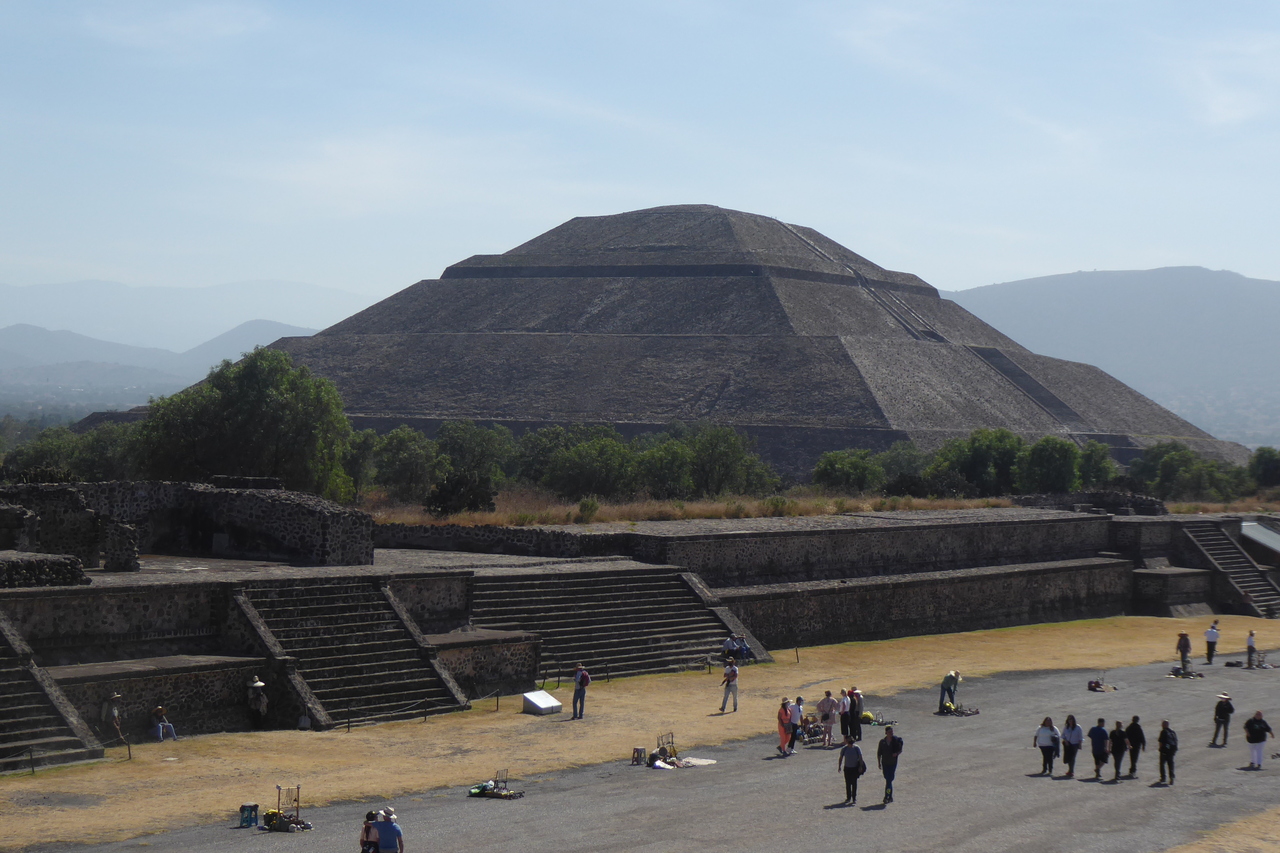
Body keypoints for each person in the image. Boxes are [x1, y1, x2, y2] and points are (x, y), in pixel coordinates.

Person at [876, 725, 903, 804]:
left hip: (892, 763)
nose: (891, 733)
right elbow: (879, 753)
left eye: (892, 732)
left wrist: (896, 754)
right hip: (885, 763)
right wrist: (879, 763)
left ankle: (886, 796)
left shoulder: (895, 741)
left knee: (888, 780)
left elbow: (900, 750)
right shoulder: (882, 742)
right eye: (889, 732)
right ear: (886, 733)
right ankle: (890, 796)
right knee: (887, 779)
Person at [837, 735, 864, 804]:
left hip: (854, 768)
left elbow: (860, 758)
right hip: (847, 768)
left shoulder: (857, 748)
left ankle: (854, 798)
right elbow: (841, 758)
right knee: (848, 784)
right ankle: (848, 797)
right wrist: (839, 766)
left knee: (854, 783)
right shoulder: (844, 749)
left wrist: (860, 766)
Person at [1157, 720, 1178, 785]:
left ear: (1164, 725)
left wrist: (1160, 749)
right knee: (1170, 764)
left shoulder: (1163, 732)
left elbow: (1161, 742)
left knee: (1162, 764)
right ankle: (1171, 777)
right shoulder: (1172, 732)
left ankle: (1163, 777)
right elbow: (1176, 741)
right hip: (1171, 751)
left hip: (1164, 751)